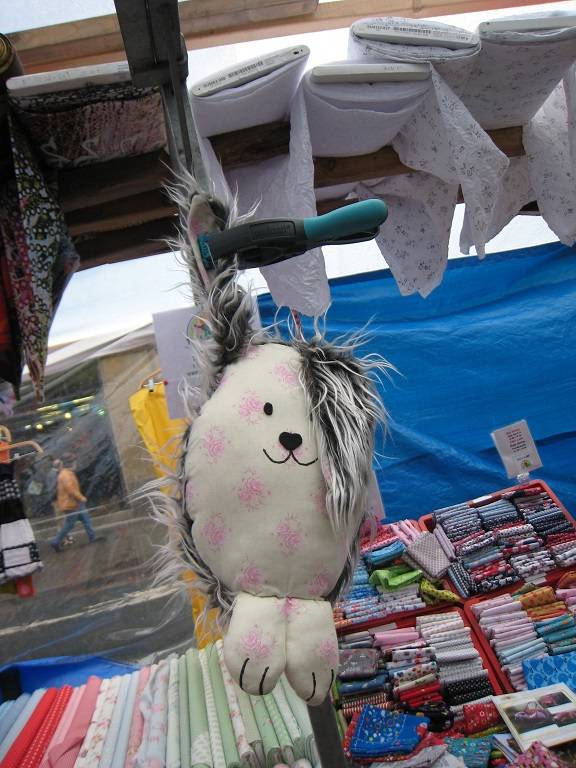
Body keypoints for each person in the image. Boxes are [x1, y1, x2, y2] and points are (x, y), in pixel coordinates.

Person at [51, 454, 101, 552]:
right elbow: (71, 490)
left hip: (75, 503)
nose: (76, 464)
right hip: (72, 504)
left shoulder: (67, 473)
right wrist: (82, 498)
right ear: (71, 463)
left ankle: (92, 538)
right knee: (70, 524)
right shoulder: (66, 475)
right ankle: (56, 541)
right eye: (75, 462)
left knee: (86, 520)